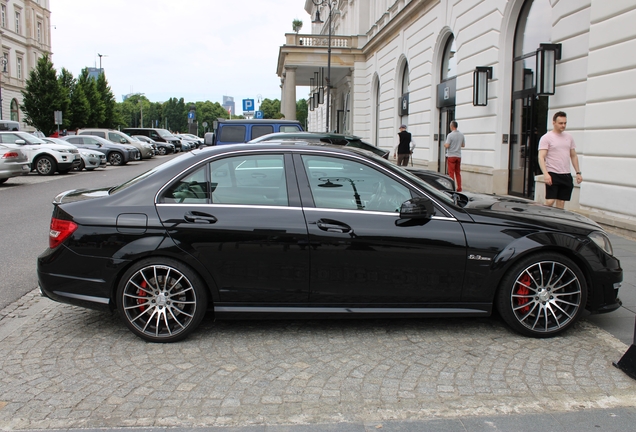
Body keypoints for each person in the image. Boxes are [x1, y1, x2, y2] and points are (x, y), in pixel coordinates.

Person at [538, 111, 582, 209]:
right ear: (554, 123)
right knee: (550, 201)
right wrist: (545, 174)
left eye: (565, 123)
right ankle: (541, 215)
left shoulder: (569, 137)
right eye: (560, 123)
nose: (563, 125)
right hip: (553, 173)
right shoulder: (546, 138)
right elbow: (541, 157)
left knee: (561, 202)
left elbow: (573, 155)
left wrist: (578, 172)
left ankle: (556, 222)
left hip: (565, 174)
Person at [444, 120, 465, 192]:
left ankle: (452, 188)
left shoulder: (450, 135)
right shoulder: (461, 135)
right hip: (458, 156)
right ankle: (459, 188)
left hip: (451, 155)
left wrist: (444, 144)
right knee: (458, 173)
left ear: (452, 126)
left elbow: (447, 145)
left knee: (451, 173)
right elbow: (463, 145)